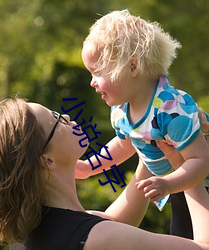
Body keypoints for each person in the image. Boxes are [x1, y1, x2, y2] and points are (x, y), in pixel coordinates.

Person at [0, 98, 209, 250]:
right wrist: (185, 165)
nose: (66, 116)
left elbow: (115, 221)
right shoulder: (97, 238)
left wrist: (149, 138)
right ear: (47, 160)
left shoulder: (32, 233)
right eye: (56, 120)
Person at [78, 9, 209, 238]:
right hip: (180, 189)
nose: (92, 83)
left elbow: (201, 160)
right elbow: (125, 145)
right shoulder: (122, 110)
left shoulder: (170, 109)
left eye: (97, 72)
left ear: (132, 67)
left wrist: (168, 184)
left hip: (198, 186)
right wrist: (89, 166)